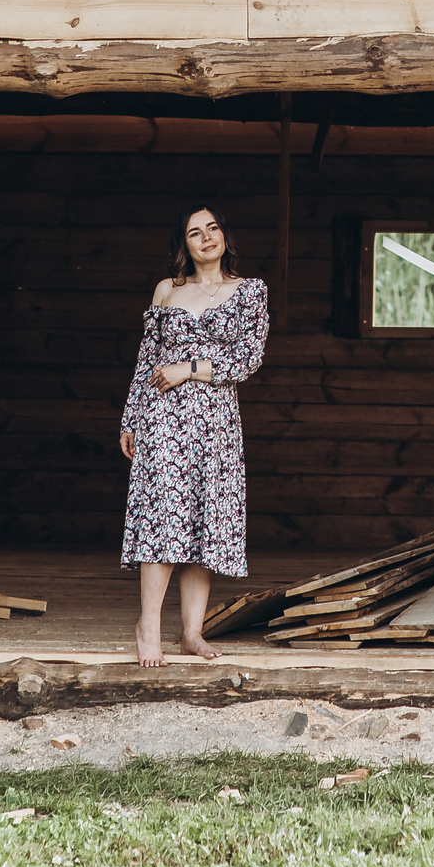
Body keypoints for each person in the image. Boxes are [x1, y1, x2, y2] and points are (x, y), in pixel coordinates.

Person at [118, 202, 269, 666]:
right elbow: (147, 361)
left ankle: (191, 634)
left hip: (216, 423)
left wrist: (189, 368)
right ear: (183, 244)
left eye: (213, 228)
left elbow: (248, 358)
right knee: (163, 519)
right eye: (194, 232)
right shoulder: (168, 289)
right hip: (164, 419)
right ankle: (148, 627)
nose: (206, 237)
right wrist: (131, 418)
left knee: (206, 524)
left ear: (224, 236)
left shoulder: (250, 291)